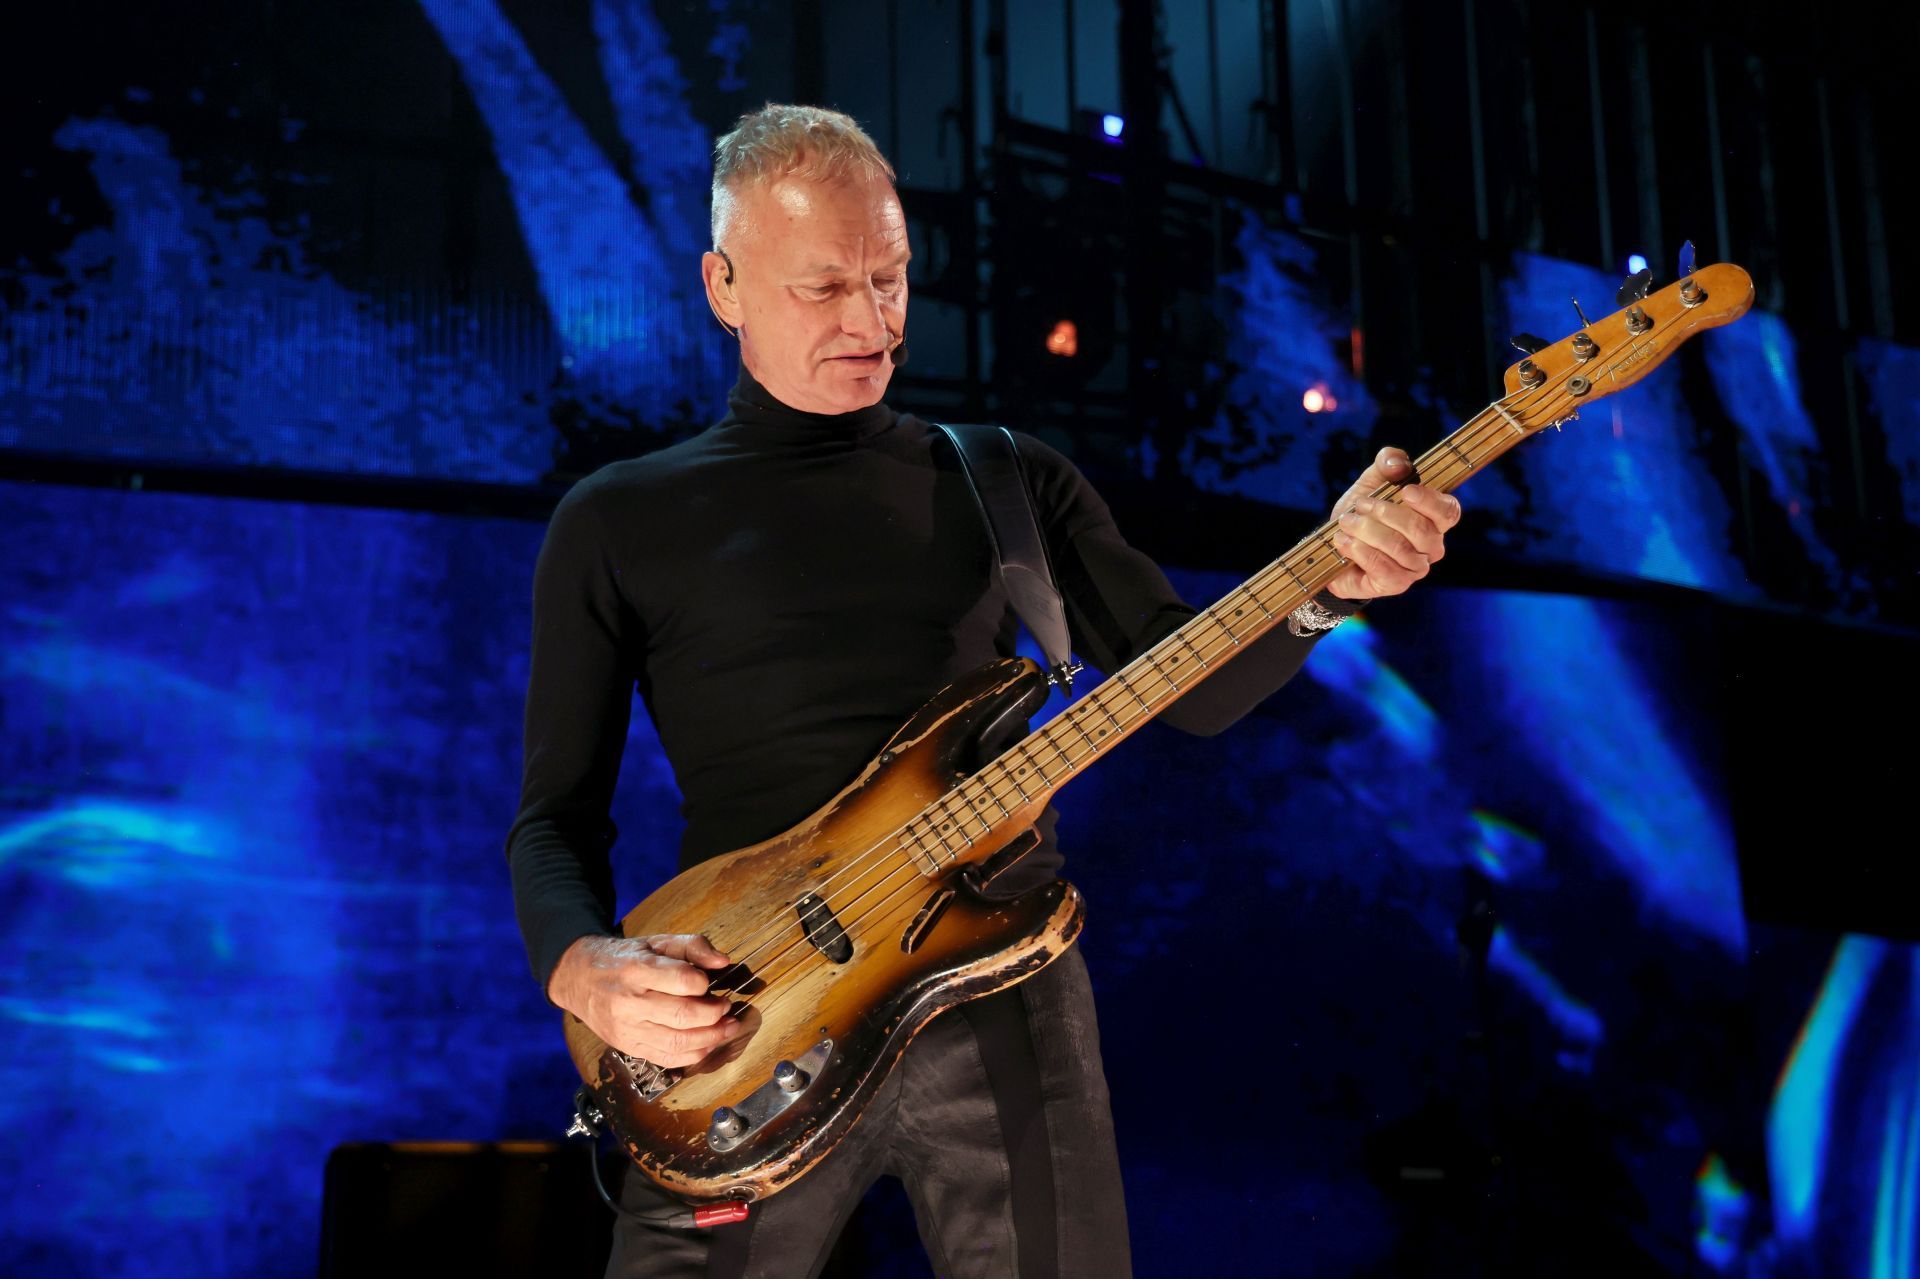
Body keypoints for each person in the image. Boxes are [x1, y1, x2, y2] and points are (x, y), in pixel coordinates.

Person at [506, 104, 1462, 1279]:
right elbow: (554, 815)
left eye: (891, 277)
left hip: (1002, 978)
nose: (873, 320)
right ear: (724, 284)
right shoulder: (615, 519)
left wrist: (1326, 587)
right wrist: (580, 964)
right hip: (746, 1010)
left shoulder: (1006, 477)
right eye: (824, 289)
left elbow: (1192, 687)